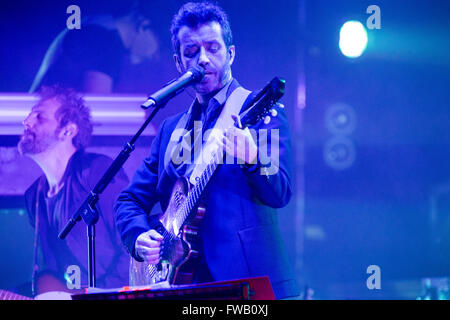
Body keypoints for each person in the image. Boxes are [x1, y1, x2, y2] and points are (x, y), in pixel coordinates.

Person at [114, 2, 300, 299]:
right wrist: (137, 236)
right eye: (191, 52)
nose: (203, 59)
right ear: (179, 62)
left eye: (213, 48)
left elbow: (281, 191)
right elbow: (129, 199)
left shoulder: (259, 111)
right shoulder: (169, 130)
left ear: (231, 53)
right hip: (182, 286)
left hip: (249, 287)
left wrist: (253, 159)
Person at [18, 85, 129, 295]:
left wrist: (101, 295)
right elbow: (54, 275)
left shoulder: (96, 172)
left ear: (67, 130)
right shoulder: (34, 196)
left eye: (39, 117)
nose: (27, 122)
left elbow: (130, 244)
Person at [29, 1, 159, 94]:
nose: (153, 57)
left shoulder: (97, 28)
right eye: (157, 50)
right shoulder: (101, 39)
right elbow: (97, 106)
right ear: (144, 26)